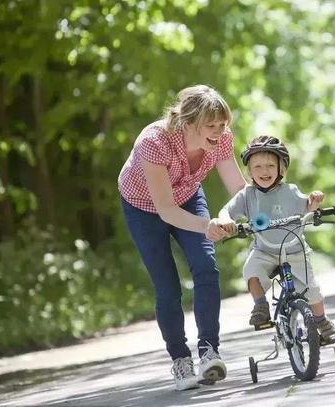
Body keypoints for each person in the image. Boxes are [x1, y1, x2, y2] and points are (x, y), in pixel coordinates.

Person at [118, 85, 246, 391]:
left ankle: (208, 352)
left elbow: (239, 189)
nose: (219, 132)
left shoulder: (221, 140)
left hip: (188, 196)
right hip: (145, 207)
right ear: (188, 124)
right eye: (211, 126)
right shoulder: (154, 142)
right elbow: (165, 209)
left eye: (222, 124)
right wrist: (207, 225)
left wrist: (263, 210)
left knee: (206, 267)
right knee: (168, 287)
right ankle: (180, 360)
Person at [218, 135, 335, 344]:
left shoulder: (290, 191)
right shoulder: (247, 195)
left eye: (269, 166)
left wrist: (314, 201)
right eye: (257, 167)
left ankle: (321, 321)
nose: (264, 171)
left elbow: (307, 206)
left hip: (294, 249)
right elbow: (227, 211)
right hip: (264, 250)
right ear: (249, 171)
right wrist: (225, 220)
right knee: (251, 271)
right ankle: (261, 306)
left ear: (281, 169)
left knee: (312, 290)